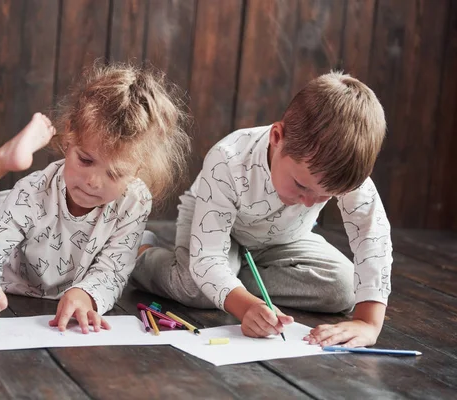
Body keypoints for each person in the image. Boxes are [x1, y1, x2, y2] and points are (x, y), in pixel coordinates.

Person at [0, 63, 191, 333]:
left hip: (51, 245)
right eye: (85, 160)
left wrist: (85, 294)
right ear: (69, 137)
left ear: (139, 170)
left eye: (114, 174)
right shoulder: (31, 193)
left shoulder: (135, 201)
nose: (93, 181)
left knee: (134, 241)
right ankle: (2, 160)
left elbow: (112, 272)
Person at [132, 71, 392, 348]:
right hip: (219, 232)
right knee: (197, 288)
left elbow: (371, 235)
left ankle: (227, 279)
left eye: (324, 197)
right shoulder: (228, 159)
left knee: (343, 289)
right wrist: (244, 307)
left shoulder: (344, 172)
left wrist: (367, 322)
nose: (308, 202)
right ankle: (143, 253)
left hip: (285, 239)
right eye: (301, 186)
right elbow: (208, 255)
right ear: (277, 137)